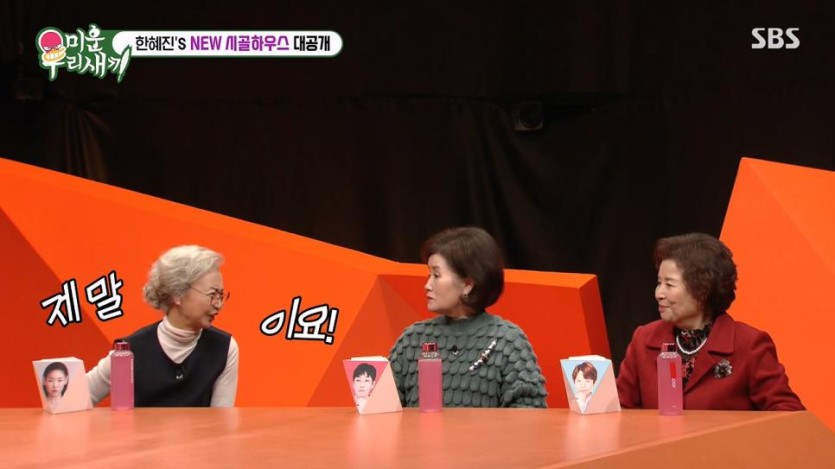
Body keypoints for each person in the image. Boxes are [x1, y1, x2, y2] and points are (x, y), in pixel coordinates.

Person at [616, 233, 803, 411]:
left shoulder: (749, 345)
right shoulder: (644, 340)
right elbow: (620, 410)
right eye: (659, 283)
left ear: (702, 290)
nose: (659, 294)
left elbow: (788, 412)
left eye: (669, 284)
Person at [388, 226, 547, 408]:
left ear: (468, 284)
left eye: (436, 275)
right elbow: (381, 411)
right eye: (429, 275)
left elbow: (531, 412)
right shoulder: (412, 339)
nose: (427, 285)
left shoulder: (508, 340)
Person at [87, 245, 239, 407]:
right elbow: (78, 395)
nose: (219, 304)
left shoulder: (224, 348)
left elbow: (221, 418)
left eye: (221, 295)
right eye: (212, 295)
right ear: (178, 295)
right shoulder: (130, 351)